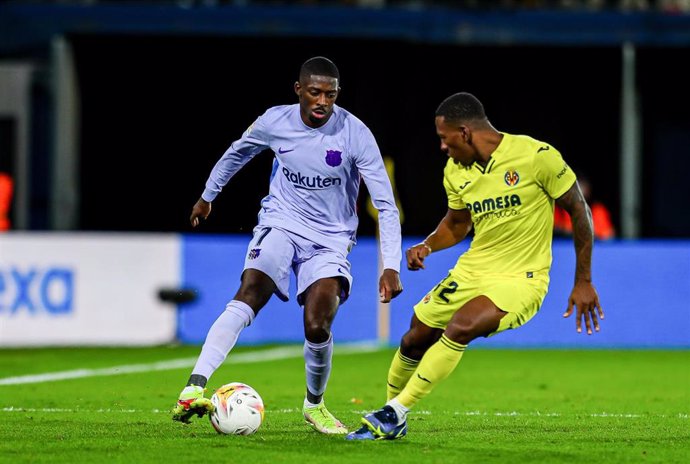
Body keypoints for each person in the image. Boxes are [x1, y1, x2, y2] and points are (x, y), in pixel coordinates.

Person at [346, 92, 604, 441]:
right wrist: (427, 245)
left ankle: (396, 411)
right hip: (472, 270)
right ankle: (393, 413)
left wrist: (583, 280)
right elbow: (456, 224)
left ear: (465, 133)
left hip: (521, 279)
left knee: (461, 326)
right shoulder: (455, 171)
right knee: (414, 338)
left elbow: (579, 211)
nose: (442, 147)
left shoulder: (535, 156)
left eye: (444, 138)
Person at [171, 56, 403, 435]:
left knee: (317, 323)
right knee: (250, 292)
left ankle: (315, 405)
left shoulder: (355, 133)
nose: (322, 101)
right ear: (299, 90)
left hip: (330, 239)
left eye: (330, 94)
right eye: (314, 92)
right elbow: (237, 152)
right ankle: (194, 386)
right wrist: (208, 195)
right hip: (282, 222)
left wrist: (389, 264)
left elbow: (384, 203)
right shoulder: (275, 122)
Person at [554, 173, 615, 240]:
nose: (579, 191)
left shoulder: (598, 209)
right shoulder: (559, 210)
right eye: (575, 187)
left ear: (588, 189)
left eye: (582, 186)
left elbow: (608, 235)